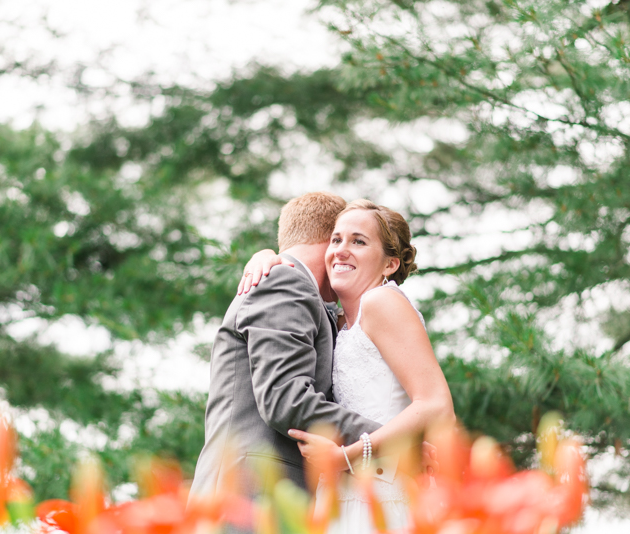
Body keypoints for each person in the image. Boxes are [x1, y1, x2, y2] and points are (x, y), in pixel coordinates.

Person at [242, 199, 454, 533]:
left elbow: (437, 405)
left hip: (383, 492)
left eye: (358, 241)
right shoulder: (338, 322)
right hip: (343, 493)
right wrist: (267, 256)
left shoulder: (382, 301)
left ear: (389, 264)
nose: (341, 250)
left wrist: (350, 454)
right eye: (336, 240)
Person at [189, 193, 392, 507]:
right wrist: (390, 442)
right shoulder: (286, 281)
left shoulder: (302, 291)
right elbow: (286, 399)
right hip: (248, 498)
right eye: (341, 240)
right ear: (332, 242)